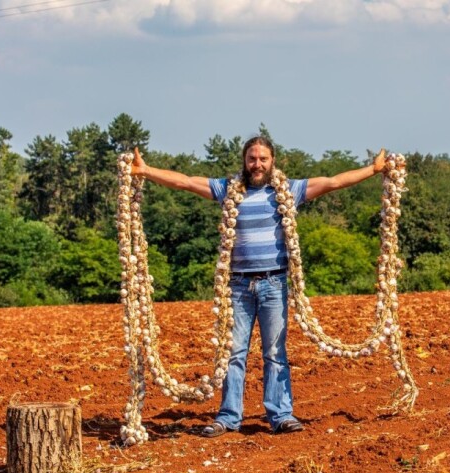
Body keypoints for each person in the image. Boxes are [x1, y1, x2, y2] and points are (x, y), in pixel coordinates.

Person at [131, 136, 390, 437]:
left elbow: (333, 182)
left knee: (275, 352)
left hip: (274, 284)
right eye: (252, 158)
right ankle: (229, 417)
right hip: (238, 286)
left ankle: (281, 415)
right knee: (233, 353)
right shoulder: (228, 190)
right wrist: (146, 171)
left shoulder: (288, 191)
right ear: (244, 161)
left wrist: (373, 169)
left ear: (272, 161)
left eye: (263, 159)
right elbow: (186, 181)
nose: (257, 164)